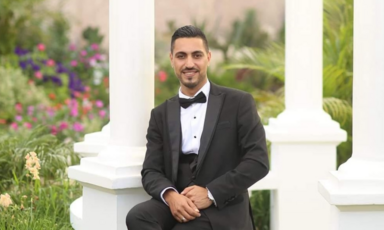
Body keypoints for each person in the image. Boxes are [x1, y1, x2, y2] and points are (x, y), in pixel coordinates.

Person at [126, 25, 269, 230]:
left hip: (223, 206)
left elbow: (258, 162)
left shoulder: (239, 102)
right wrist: (170, 195)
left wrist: (210, 193)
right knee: (138, 217)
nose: (189, 63)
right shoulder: (160, 114)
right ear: (172, 59)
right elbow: (151, 170)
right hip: (178, 200)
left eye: (197, 55)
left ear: (208, 58)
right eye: (182, 56)